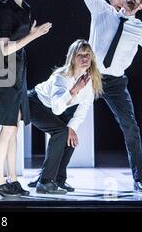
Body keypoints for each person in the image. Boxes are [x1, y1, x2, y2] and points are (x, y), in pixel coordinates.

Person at [78, 0, 142, 192]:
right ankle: (50, 177)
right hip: (90, 74)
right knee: (64, 119)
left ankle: (139, 179)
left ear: (140, 6)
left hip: (115, 83)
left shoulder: (140, 29)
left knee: (131, 128)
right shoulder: (102, 10)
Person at [0, 0, 52, 196]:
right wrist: (33, 36)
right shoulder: (4, 10)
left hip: (17, 70)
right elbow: (3, 50)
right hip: (4, 71)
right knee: (8, 127)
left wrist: (29, 35)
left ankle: (12, 178)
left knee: (14, 128)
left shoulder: (25, 9)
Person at [27, 39, 102, 194]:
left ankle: (58, 180)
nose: (85, 58)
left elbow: (83, 108)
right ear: (72, 58)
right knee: (60, 132)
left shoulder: (89, 79)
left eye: (88, 55)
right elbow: (57, 108)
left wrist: (72, 128)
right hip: (35, 102)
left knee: (70, 139)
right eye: (80, 55)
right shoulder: (61, 77)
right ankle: (45, 182)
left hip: (53, 107)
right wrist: (74, 89)